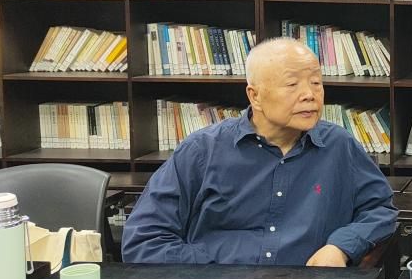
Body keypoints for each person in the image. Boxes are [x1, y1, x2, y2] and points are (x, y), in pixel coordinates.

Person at [123, 37, 397, 266]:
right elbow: (144, 241)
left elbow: (380, 210)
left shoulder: (339, 145)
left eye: (316, 82)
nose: (310, 95)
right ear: (255, 96)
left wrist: (341, 247)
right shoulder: (202, 151)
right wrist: (214, 270)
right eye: (292, 84)